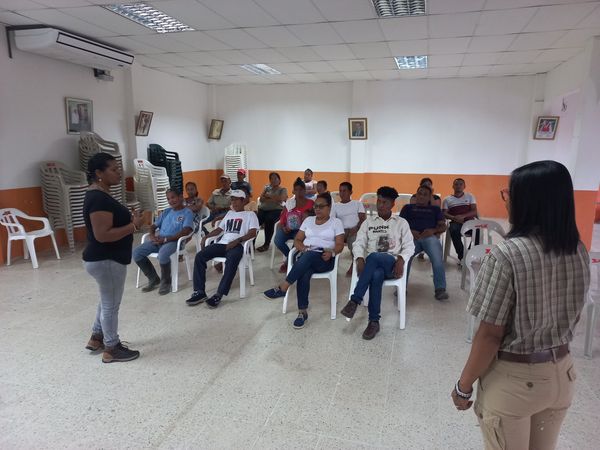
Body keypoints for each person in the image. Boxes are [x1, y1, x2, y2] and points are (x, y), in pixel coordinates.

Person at [451, 160, 589, 450]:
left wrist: (463, 387)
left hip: (515, 383)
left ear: (528, 201)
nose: (507, 199)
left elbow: (490, 335)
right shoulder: (577, 249)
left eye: (509, 193)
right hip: (562, 374)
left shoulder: (507, 254)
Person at [83, 152, 144, 363]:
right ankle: (112, 348)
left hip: (104, 259)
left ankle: (96, 337)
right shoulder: (98, 198)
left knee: (106, 299)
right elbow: (103, 235)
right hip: (106, 259)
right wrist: (133, 225)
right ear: (99, 173)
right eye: (114, 169)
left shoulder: (100, 195)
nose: (119, 173)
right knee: (110, 305)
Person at [340, 186, 414, 340]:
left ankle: (354, 300)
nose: (380, 205)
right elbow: (358, 243)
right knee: (376, 274)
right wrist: (359, 258)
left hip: (391, 264)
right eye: (379, 201)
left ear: (392, 204)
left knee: (374, 256)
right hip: (372, 267)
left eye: (385, 202)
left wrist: (401, 259)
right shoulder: (368, 223)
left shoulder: (401, 223)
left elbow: (409, 246)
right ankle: (374, 322)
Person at [263, 193, 344, 329]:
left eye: (321, 206)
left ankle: (283, 287)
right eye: (315, 206)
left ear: (329, 207)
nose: (317, 209)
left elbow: (340, 245)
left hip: (325, 258)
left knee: (307, 258)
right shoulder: (308, 221)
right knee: (304, 272)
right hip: (307, 255)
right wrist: (303, 248)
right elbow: (297, 240)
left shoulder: (336, 222)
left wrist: (332, 252)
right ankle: (302, 312)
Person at [186, 190, 259, 308]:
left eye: (236, 199)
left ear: (243, 201)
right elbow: (219, 230)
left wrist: (237, 240)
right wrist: (206, 237)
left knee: (231, 261)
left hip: (238, 246)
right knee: (200, 256)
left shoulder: (250, 215)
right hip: (222, 244)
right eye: (232, 200)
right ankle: (199, 292)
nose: (234, 202)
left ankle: (218, 295)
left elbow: (252, 233)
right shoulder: (229, 214)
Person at [133, 189, 194, 295]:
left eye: (173, 197)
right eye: (168, 199)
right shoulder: (166, 212)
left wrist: (166, 239)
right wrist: (152, 236)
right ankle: (153, 278)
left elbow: (186, 231)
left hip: (174, 242)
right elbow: (153, 226)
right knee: (137, 253)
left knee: (162, 255)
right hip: (159, 240)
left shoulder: (187, 212)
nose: (171, 201)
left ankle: (166, 282)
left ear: (180, 197)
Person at [401, 185, 448, 300]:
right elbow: (399, 225)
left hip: (429, 237)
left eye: (425, 194)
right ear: (416, 195)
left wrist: (433, 230)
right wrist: (410, 231)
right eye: (419, 193)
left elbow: (443, 226)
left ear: (429, 197)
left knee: (437, 259)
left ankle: (440, 289)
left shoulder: (435, 210)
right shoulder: (407, 208)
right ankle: (401, 287)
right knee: (404, 258)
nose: (421, 196)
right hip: (411, 238)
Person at [274, 178, 314, 273]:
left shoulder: (311, 203)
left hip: (302, 230)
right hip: (288, 228)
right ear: (293, 191)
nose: (299, 192)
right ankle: (291, 258)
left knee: (297, 241)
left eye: (301, 190)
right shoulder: (290, 202)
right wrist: (284, 227)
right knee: (278, 240)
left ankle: (288, 262)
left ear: (305, 191)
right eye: (296, 190)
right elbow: (283, 218)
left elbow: (314, 219)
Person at [332, 181, 366, 276]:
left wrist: (355, 228)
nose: (342, 193)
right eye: (340, 191)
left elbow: (362, 219)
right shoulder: (335, 206)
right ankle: (331, 265)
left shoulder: (357, 204)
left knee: (354, 242)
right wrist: (341, 231)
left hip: (355, 230)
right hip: (340, 232)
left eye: (344, 191)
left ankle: (354, 263)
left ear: (351, 192)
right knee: (329, 243)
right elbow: (333, 221)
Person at [442, 178, 478, 264]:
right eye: (456, 184)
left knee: (478, 231)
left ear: (464, 186)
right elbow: (444, 213)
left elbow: (474, 211)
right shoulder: (447, 199)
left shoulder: (470, 196)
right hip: (455, 222)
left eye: (461, 184)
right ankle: (462, 257)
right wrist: (454, 218)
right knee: (453, 230)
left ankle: (470, 254)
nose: (458, 186)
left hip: (469, 222)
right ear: (453, 186)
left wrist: (463, 216)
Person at [256, 172, 287, 252]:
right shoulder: (267, 188)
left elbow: (281, 199)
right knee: (255, 222)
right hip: (263, 209)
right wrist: (273, 198)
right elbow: (261, 199)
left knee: (269, 220)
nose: (273, 180)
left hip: (276, 210)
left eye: (275, 178)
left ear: (279, 180)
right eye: (271, 178)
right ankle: (251, 243)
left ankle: (266, 244)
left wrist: (269, 196)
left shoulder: (282, 189)